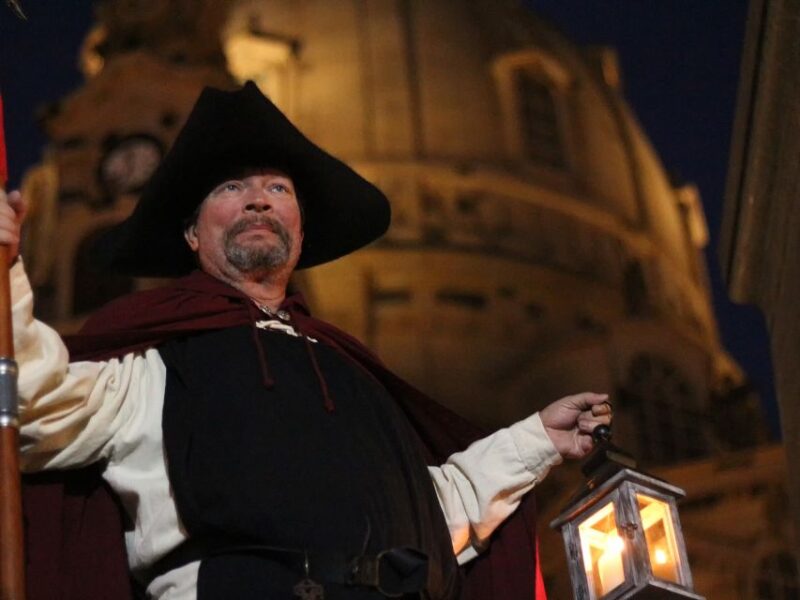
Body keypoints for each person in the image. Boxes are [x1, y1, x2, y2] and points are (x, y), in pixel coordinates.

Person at [0, 82, 611, 600]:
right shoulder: (153, 360)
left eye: (278, 189)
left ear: (298, 225)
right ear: (191, 232)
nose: (259, 198)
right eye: (231, 188)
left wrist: (537, 438)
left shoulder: (351, 371)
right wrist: (5, 273)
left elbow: (432, 508)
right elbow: (33, 401)